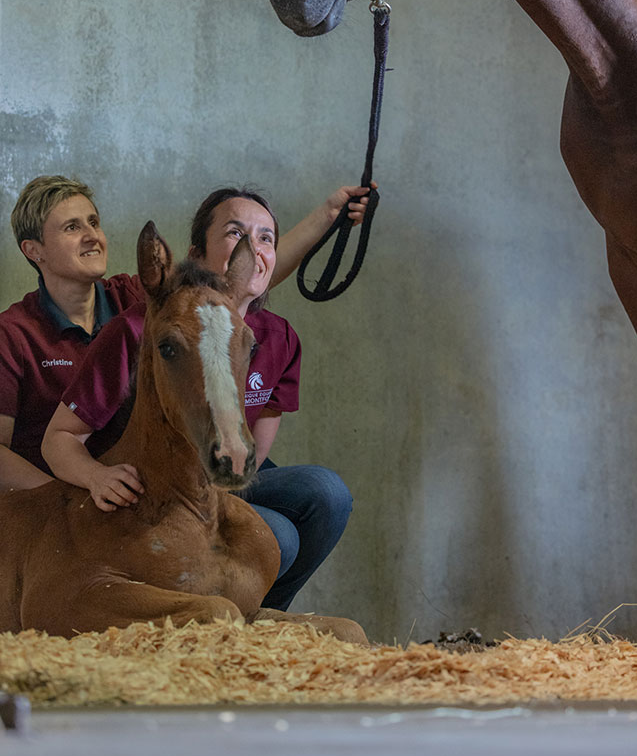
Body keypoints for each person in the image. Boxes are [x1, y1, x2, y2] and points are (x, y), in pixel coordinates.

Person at [41, 185, 357, 611]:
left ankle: (264, 618)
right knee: (278, 534)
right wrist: (97, 476)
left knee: (327, 493)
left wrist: (329, 214)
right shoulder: (142, 329)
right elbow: (60, 436)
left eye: (266, 238)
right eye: (235, 233)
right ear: (197, 253)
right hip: (163, 479)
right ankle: (232, 620)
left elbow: (257, 453)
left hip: (227, 467)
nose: (253, 246)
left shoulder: (279, 336)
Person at [0, 174, 369, 492]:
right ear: (34, 250)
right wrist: (64, 496)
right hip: (76, 481)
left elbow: (240, 279)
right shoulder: (12, 334)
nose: (92, 236)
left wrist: (328, 216)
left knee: (319, 492)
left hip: (158, 463)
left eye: (94, 222)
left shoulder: (139, 295)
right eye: (72, 227)